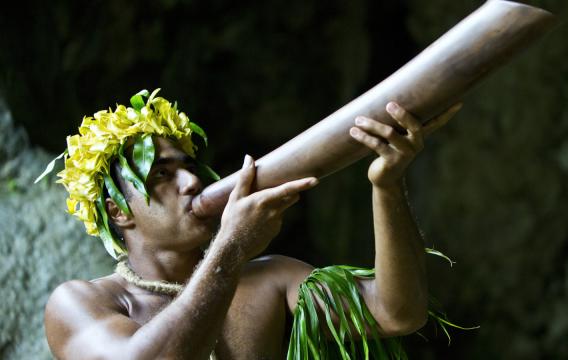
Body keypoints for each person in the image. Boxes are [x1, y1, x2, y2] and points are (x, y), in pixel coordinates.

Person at [43, 89, 460, 359]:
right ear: (118, 210)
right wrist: (231, 247)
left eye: (190, 167)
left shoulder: (270, 279)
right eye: (161, 175)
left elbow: (398, 312)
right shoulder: (79, 304)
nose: (192, 182)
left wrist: (386, 185)